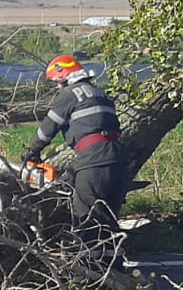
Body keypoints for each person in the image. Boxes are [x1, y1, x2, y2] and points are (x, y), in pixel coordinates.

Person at [22, 55, 129, 246]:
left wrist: (32, 151)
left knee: (87, 216)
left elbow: (49, 128)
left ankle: (90, 262)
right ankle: (114, 260)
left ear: (63, 75)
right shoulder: (101, 94)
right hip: (118, 158)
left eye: (56, 82)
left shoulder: (69, 94)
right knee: (109, 217)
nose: (57, 87)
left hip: (93, 159)